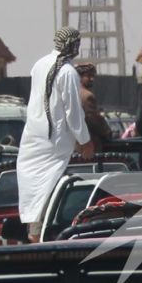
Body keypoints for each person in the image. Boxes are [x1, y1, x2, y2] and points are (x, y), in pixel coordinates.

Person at [18, 26, 95, 241]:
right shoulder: (68, 72)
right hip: (54, 141)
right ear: (74, 45)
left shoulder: (39, 64)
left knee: (38, 188)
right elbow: (73, 111)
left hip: (34, 137)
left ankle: (34, 233)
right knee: (49, 187)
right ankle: (38, 236)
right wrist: (85, 141)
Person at [76, 62, 115, 148]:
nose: (92, 79)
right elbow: (93, 119)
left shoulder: (71, 93)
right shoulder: (87, 96)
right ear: (79, 77)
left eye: (93, 76)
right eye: (88, 76)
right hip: (88, 145)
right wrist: (108, 132)